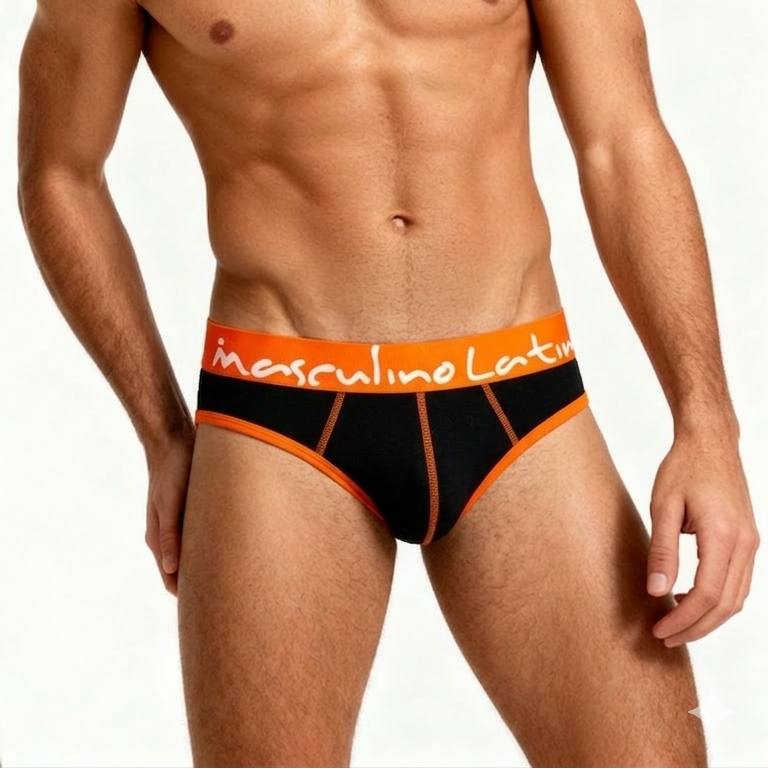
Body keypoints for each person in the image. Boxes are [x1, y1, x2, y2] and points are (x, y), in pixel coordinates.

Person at [16, 0, 759, 766]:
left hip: (521, 393)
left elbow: (623, 142)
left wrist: (706, 424)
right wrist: (162, 430)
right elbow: (60, 173)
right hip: (279, 413)